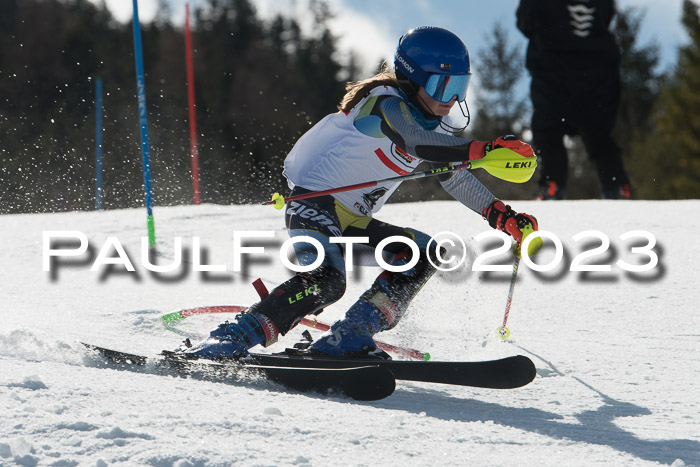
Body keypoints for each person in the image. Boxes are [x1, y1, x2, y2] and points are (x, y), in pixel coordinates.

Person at [182, 26, 541, 360]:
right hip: (313, 202)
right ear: (412, 80)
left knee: (421, 254)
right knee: (328, 280)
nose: (450, 100)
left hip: (352, 218)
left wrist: (502, 215)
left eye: (458, 89)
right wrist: (481, 149)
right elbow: (413, 140)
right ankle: (230, 338)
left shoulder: (438, 125)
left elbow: (455, 176)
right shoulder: (384, 104)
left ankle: (349, 337)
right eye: (441, 87)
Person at [517, 0, 631, 200]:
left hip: (554, 73)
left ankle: (552, 185)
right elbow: (607, 16)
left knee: (548, 130)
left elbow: (525, 22)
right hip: (597, 74)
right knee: (599, 134)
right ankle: (617, 187)